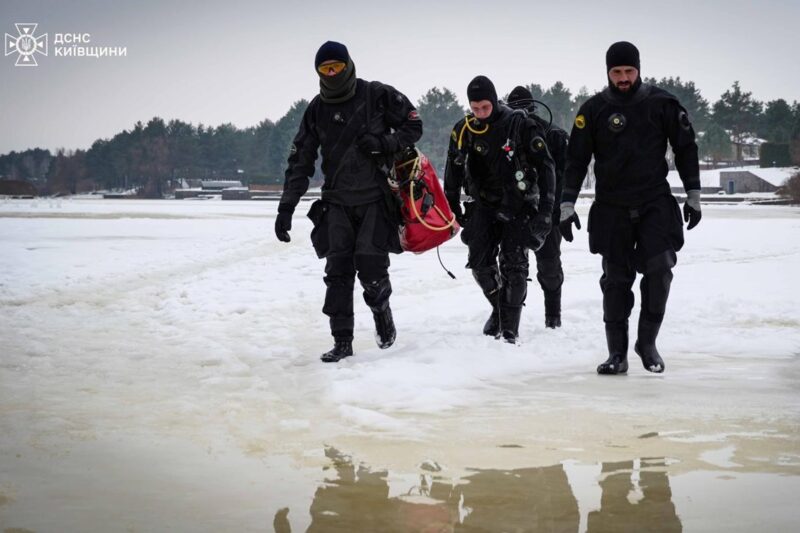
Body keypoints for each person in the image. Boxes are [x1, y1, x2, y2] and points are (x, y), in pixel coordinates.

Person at [274, 41, 422, 363]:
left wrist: (385, 142)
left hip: (374, 200)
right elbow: (301, 160)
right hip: (337, 203)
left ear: (348, 66)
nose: (331, 74)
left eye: (336, 67)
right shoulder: (316, 109)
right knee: (337, 274)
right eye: (324, 69)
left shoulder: (377, 95)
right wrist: (286, 207)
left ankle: (382, 312)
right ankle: (342, 342)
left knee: (371, 268)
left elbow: (414, 125)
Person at [559, 41, 702, 374]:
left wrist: (693, 193)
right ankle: (617, 355)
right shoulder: (592, 110)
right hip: (611, 205)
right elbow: (576, 160)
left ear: (639, 69)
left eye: (629, 71)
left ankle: (647, 343)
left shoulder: (662, 104)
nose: (623, 78)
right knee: (616, 279)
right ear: (607, 72)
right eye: (616, 72)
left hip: (654, 200)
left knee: (660, 269)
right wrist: (566, 203)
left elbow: (686, 148)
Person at [444, 76, 556, 344]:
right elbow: (453, 170)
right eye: (475, 108)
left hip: (519, 203)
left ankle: (509, 330)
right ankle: (499, 308)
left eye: (485, 107)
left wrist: (545, 212)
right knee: (480, 263)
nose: (480, 114)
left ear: (494, 101)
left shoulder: (520, 125)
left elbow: (546, 167)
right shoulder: (465, 129)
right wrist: (451, 205)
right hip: (483, 203)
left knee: (514, 265)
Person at [506, 86, 568, 328]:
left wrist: (562, 210)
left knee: (549, 265)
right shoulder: (503, 132)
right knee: (512, 268)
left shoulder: (553, 135)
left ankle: (553, 317)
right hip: (513, 209)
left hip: (547, 208)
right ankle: (507, 319)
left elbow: (565, 176)